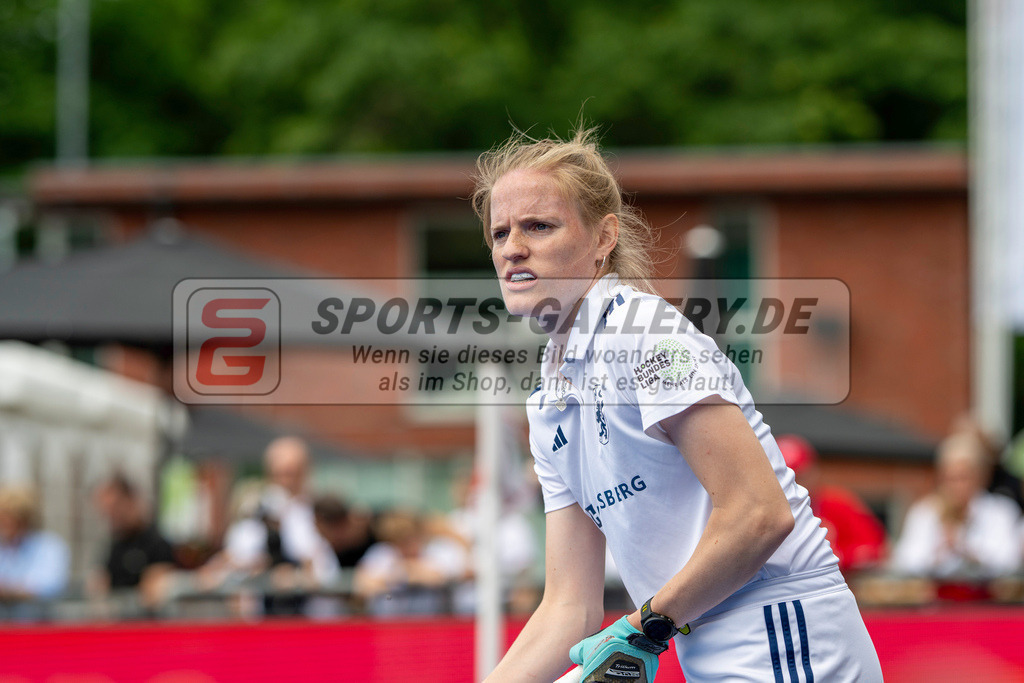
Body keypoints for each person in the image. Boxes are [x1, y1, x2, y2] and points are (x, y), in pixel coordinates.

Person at [472, 128, 882, 682]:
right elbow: (568, 610)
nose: (512, 248)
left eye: (539, 226)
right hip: (698, 642)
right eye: (500, 233)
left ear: (603, 238)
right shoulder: (549, 401)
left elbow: (760, 516)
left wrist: (647, 626)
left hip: (784, 628)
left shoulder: (646, 336)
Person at [890, 430, 1022, 580]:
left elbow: (1010, 562)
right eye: (950, 478)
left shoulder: (1000, 512)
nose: (956, 486)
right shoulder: (925, 513)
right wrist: (937, 552)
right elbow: (903, 562)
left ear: (981, 477)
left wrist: (967, 550)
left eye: (963, 477)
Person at [776, 434, 887, 575]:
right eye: (786, 480)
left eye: (799, 477)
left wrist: (837, 556)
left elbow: (877, 549)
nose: (795, 486)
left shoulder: (837, 505)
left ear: (813, 473)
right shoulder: (766, 513)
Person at [91, 472, 177, 611]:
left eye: (115, 508)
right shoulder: (115, 545)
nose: (112, 516)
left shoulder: (157, 543)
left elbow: (154, 593)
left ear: (131, 501)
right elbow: (101, 586)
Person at [0, 486, 70, 620]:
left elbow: (50, 586)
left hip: (39, 626)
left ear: (24, 519)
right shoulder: (3, 549)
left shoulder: (50, 546)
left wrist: (10, 591)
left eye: (8, 519)